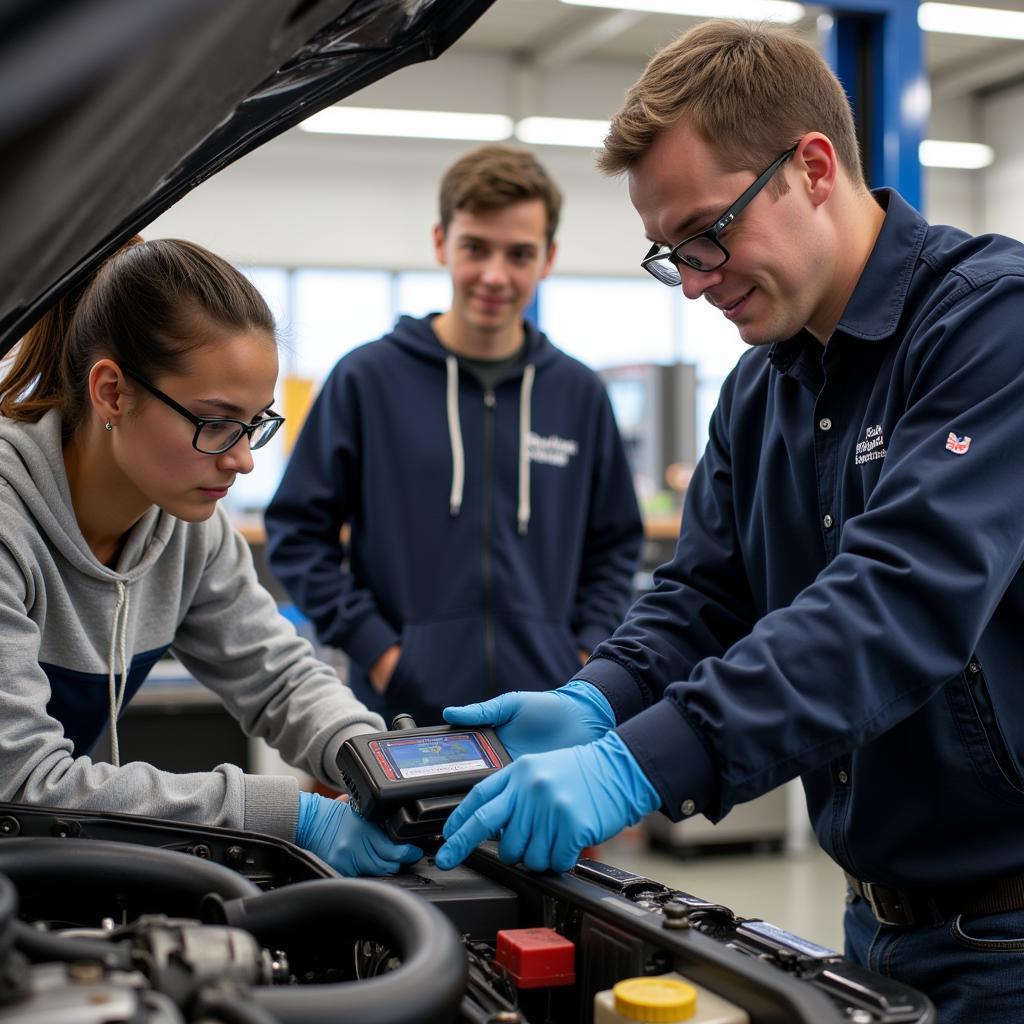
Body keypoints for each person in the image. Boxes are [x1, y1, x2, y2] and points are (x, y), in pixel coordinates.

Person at [435, 20, 1024, 1024]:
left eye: (709, 231)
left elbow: (894, 600)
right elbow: (706, 595)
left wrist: (639, 763)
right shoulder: (762, 389)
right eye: (671, 254)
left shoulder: (988, 327)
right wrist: (597, 698)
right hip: (872, 928)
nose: (698, 278)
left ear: (811, 166)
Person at [0, 237, 421, 878]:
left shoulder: (189, 528)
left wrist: (376, 763)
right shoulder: (8, 522)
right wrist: (295, 814)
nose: (242, 458)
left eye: (255, 424)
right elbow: (24, 783)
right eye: (216, 421)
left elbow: (279, 679)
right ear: (112, 392)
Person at [264, 144, 643, 727]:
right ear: (442, 242)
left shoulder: (577, 392)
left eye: (519, 253)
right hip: (404, 713)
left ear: (548, 258)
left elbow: (615, 544)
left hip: (545, 715)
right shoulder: (367, 380)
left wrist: (586, 654)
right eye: (475, 248)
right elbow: (295, 531)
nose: (495, 275)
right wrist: (384, 653)